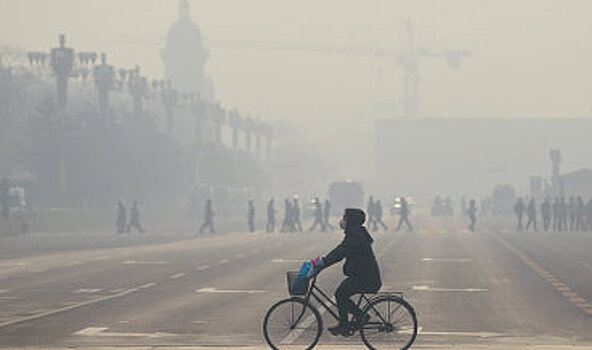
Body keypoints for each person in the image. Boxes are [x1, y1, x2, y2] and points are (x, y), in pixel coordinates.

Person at [307, 208, 381, 336]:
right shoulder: (355, 234)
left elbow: (340, 253)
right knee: (342, 292)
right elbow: (339, 250)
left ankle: (347, 324)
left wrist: (323, 263)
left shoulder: (355, 236)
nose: (342, 220)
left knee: (341, 294)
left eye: (345, 217)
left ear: (351, 220)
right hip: (364, 276)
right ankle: (355, 319)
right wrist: (323, 261)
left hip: (367, 279)